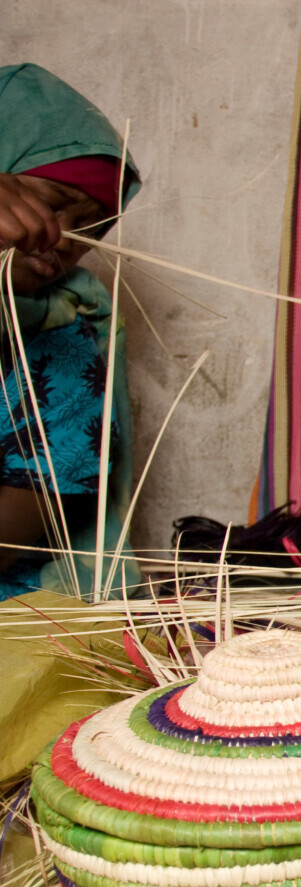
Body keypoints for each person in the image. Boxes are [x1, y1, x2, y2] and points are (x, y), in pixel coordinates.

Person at [0, 64, 140, 600]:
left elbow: (24, 513)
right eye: (51, 205)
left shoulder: (65, 337)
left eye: (92, 228)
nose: (64, 239)